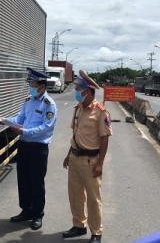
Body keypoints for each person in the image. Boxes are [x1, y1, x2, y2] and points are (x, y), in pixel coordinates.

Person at [0, 67, 57, 231]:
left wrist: (25, 131)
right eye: (30, 82)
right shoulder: (28, 101)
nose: (30, 85)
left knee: (36, 181)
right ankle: (26, 210)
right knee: (23, 179)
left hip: (38, 148)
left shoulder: (49, 105)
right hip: (24, 145)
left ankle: (38, 214)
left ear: (42, 85)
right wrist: (5, 121)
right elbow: (20, 119)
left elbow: (46, 127)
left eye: (33, 83)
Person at [62, 69, 113, 243]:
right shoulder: (78, 109)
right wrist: (68, 155)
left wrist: (100, 163)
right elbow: (75, 135)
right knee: (75, 195)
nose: (76, 90)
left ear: (88, 90)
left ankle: (96, 232)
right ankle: (78, 225)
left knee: (93, 198)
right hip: (75, 158)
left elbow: (105, 138)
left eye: (79, 87)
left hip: (91, 161)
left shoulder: (101, 111)